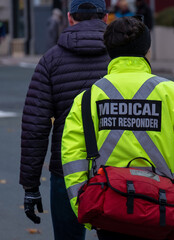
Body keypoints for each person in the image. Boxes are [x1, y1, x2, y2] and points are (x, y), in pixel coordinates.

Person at [61, 16, 174, 239]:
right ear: (147, 50)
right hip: (160, 207)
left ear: (109, 50)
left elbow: (72, 156)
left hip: (108, 209)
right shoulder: (171, 92)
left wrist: (84, 206)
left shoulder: (88, 98)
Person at [19, 0, 110, 239]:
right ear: (106, 18)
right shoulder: (122, 59)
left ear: (69, 18)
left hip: (66, 169)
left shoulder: (50, 60)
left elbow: (35, 126)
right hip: (117, 168)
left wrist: (31, 187)